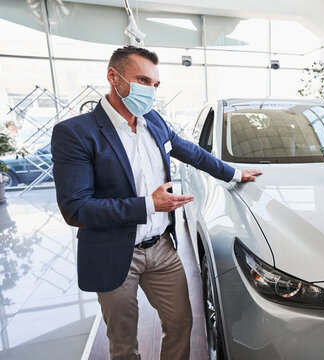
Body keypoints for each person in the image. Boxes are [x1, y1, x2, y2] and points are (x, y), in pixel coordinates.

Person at [51, 46, 262, 360]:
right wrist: (148, 205)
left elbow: (190, 151)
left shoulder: (152, 120)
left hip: (161, 248)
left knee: (181, 323)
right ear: (114, 76)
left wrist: (233, 173)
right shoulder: (76, 133)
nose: (150, 90)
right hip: (114, 252)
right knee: (123, 342)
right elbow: (76, 208)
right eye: (143, 80)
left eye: (155, 84)